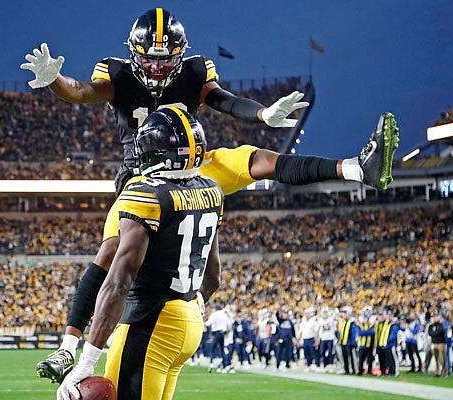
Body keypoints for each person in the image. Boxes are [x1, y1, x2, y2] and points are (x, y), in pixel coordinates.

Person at [21, 7, 400, 383]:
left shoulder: (195, 72)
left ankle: (354, 168)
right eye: (148, 60)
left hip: (191, 167)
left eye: (165, 59)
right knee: (109, 254)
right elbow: (83, 91)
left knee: (257, 159)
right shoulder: (116, 72)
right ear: (133, 53)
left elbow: (225, 100)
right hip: (141, 177)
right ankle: (68, 347)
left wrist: (264, 115)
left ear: (180, 55)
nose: (155, 68)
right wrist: (57, 81)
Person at [56, 107, 224, 400]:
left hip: (149, 324)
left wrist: (85, 364)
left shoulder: (146, 193)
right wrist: (192, 304)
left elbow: (118, 282)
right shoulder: (211, 189)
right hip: (189, 321)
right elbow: (213, 276)